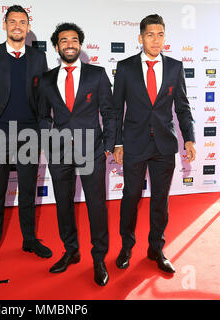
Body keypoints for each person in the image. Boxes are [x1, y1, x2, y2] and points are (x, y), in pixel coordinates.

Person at [113, 14, 196, 273]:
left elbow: (182, 107)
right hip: (134, 143)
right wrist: (117, 143)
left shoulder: (175, 67)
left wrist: (190, 137)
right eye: (150, 34)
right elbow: (116, 110)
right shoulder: (125, 67)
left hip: (164, 145)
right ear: (140, 38)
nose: (156, 40)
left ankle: (156, 248)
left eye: (160, 34)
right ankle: (126, 245)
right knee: (130, 196)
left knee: (160, 199)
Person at [36, 23, 117, 286]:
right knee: (63, 204)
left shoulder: (97, 74)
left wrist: (108, 145)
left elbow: (109, 113)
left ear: (80, 44)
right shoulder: (47, 79)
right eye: (63, 40)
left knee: (96, 205)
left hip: (92, 149)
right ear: (57, 46)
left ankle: (99, 257)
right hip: (59, 152)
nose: (69, 44)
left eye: (74, 40)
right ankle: (70, 250)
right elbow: (42, 115)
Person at [0, 5, 52, 272]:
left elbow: (44, 97)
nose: (17, 26)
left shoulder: (38, 58)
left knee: (28, 192)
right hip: (0, 135)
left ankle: (29, 240)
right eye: (12, 21)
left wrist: (43, 130)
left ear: (28, 27)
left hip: (30, 135)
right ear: (4, 25)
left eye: (22, 22)